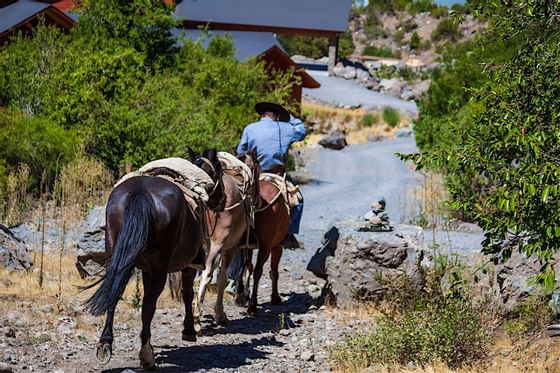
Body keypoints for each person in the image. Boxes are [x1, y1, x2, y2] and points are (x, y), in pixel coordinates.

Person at [236, 101, 307, 246]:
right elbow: (301, 131)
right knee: (298, 201)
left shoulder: (250, 128)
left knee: (238, 199)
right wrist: (292, 118)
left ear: (262, 114)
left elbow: (240, 151)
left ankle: (239, 231)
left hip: (255, 175)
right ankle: (288, 234)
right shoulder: (286, 128)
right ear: (278, 116)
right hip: (277, 175)